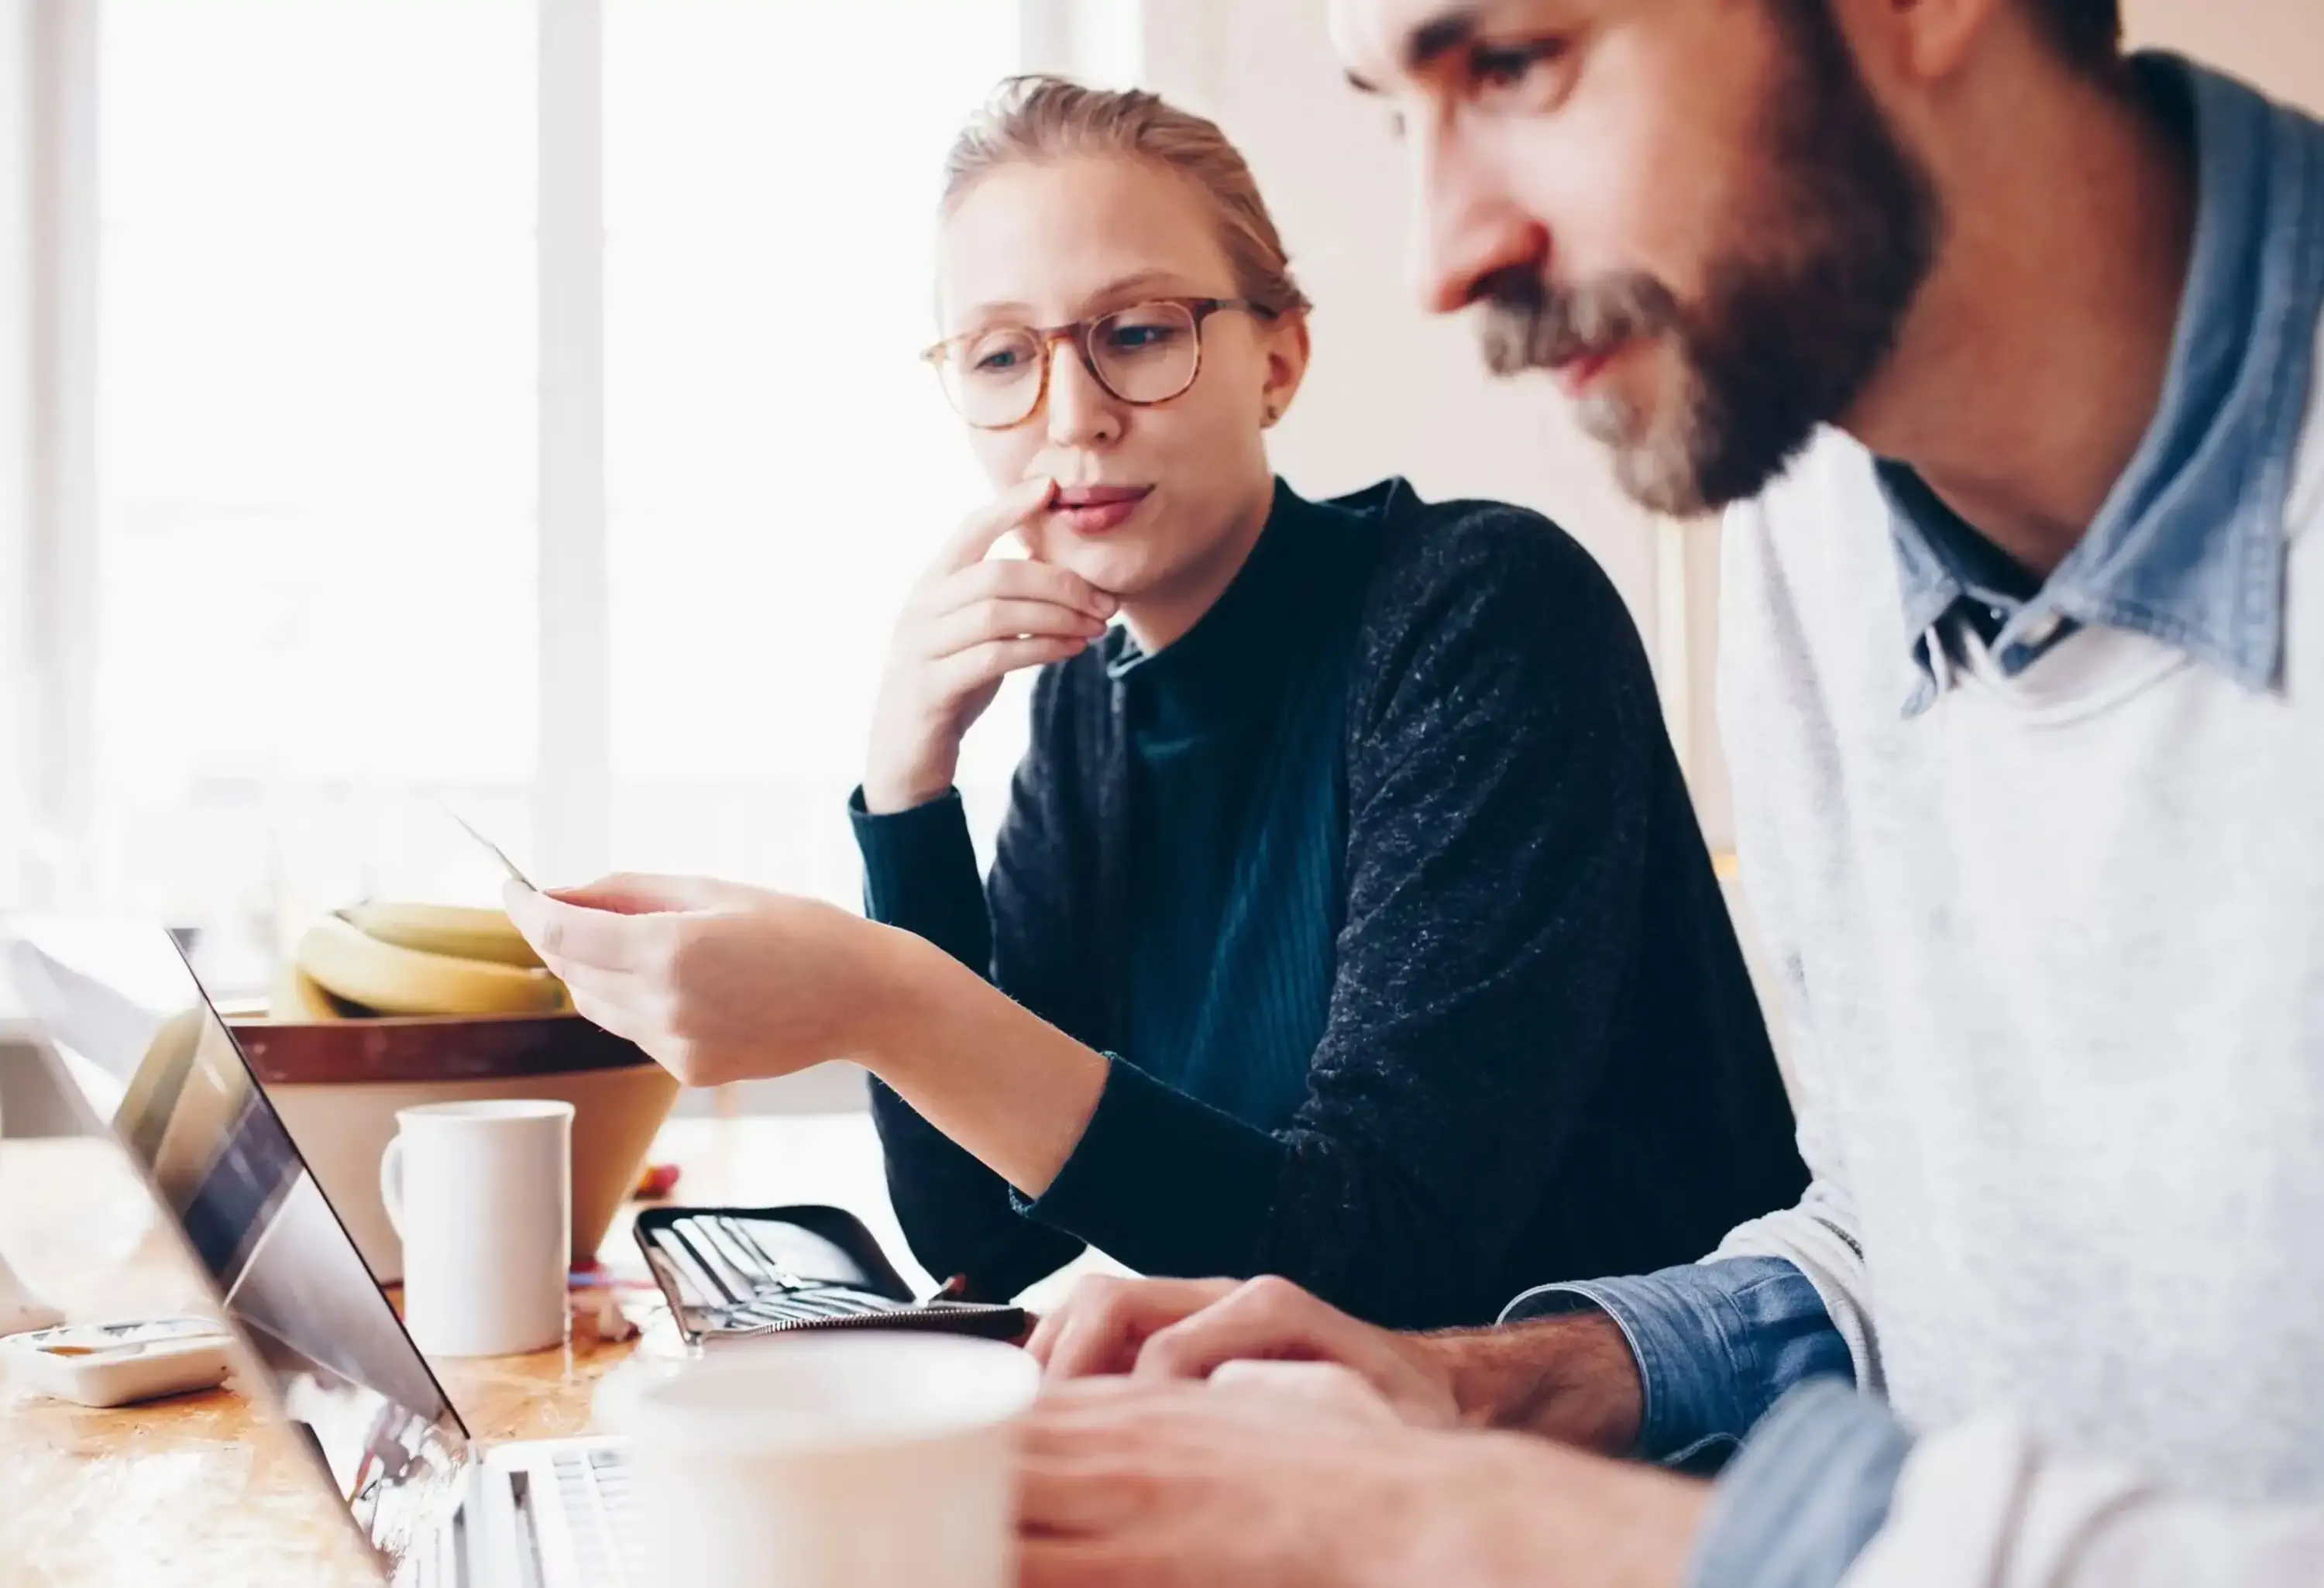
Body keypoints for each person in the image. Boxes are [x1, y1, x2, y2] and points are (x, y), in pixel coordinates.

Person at [1002, 1, 2324, 1586]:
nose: (1440, 259)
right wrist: (1469, 1382)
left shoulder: (1507, 589)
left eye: (1513, 63)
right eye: (1395, 111)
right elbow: (1889, 1250)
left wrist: (1535, 1531)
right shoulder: (1811, 499)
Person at [502, 75, 1804, 1330]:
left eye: (1135, 334)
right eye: (1003, 354)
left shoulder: (1483, 610)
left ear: (1278, 361)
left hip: (1631, 1492)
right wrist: (908, 795)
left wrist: (878, 994)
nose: (1072, 415)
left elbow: (1380, 1259)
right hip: (1310, 1483)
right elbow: (985, 1235)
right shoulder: (1093, 708)